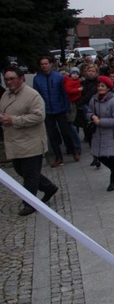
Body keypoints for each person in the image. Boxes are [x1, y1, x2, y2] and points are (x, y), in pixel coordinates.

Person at [0, 66, 59, 216]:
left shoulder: (32, 95)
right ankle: (48, 187)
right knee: (21, 170)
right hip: (14, 141)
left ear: (21, 79)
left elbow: (39, 116)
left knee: (30, 174)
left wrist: (14, 120)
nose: (9, 82)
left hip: (31, 141)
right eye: (7, 79)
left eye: (12, 78)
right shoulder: (5, 95)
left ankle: (30, 203)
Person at [33, 55, 77, 166]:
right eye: (42, 64)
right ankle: (58, 157)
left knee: (66, 132)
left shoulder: (59, 77)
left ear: (50, 64)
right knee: (52, 135)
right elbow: (36, 96)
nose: (44, 66)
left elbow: (64, 94)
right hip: (47, 111)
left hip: (60, 109)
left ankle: (73, 150)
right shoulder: (37, 79)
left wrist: (67, 108)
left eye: (46, 63)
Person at [86, 75, 114, 191]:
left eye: (103, 86)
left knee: (112, 157)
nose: (100, 88)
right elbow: (88, 111)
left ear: (108, 88)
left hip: (111, 134)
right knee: (99, 155)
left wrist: (100, 122)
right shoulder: (94, 99)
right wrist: (92, 116)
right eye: (99, 86)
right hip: (98, 133)